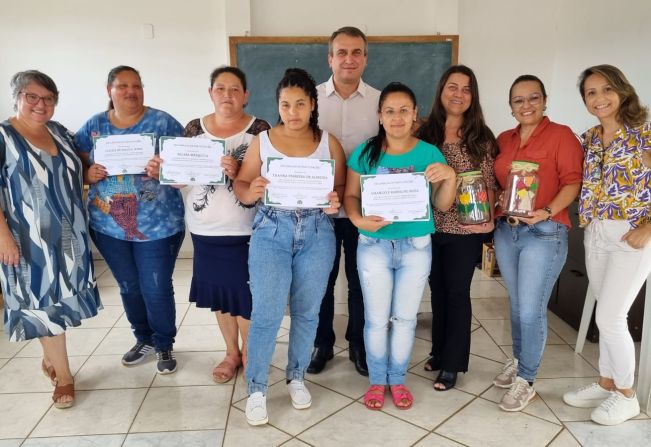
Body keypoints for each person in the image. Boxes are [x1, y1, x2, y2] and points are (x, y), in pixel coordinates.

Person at [234, 68, 346, 425]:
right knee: (266, 312)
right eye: (286, 104)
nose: (293, 111)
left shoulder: (329, 142)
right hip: (272, 230)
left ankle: (296, 376)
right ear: (278, 105)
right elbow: (241, 184)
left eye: (300, 103)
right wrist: (249, 192)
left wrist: (334, 202)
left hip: (317, 231)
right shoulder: (262, 141)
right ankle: (256, 389)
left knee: (307, 311)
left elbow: (341, 194)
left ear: (313, 104)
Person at [344, 82, 456, 410]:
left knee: (405, 319)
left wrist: (450, 177)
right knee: (376, 319)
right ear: (380, 116)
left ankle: (398, 379)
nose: (397, 118)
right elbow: (351, 196)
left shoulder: (429, 153)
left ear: (414, 114)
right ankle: (378, 380)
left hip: (416, 246)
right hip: (374, 246)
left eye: (403, 111)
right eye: (389, 111)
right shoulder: (365, 152)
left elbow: (444, 206)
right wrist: (357, 220)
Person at [0, 70, 102, 408]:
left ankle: (50, 359)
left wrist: (90, 174)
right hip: (26, 240)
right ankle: (65, 376)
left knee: (60, 301)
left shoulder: (59, 133)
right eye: (32, 97)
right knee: (43, 305)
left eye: (48, 98)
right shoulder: (4, 137)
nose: (40, 104)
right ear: (17, 97)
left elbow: (73, 174)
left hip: (69, 235)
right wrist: (3, 238)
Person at [75, 65, 185, 375]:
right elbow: (76, 163)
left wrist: (165, 169)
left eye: (136, 85)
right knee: (128, 286)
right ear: (109, 90)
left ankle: (164, 342)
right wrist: (87, 173)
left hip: (158, 225)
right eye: (122, 86)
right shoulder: (93, 125)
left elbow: (185, 166)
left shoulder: (163, 122)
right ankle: (144, 339)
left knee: (156, 287)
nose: (130, 91)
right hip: (109, 225)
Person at [562, 64, 651, 425]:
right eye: (591, 93)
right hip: (595, 232)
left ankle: (627, 395)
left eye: (606, 90)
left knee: (610, 317)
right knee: (606, 310)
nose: (599, 98)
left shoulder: (644, 134)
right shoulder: (588, 138)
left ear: (622, 91)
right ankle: (606, 382)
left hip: (631, 235)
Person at [492, 75, 583, 411]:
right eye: (518, 100)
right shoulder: (504, 139)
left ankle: (526, 379)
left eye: (533, 98)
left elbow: (572, 183)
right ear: (511, 106)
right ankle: (519, 360)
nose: (526, 105)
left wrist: (545, 212)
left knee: (531, 310)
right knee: (517, 305)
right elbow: (500, 181)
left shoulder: (562, 136)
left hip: (544, 233)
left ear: (545, 100)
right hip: (507, 230)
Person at [183, 66, 270, 383]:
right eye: (220, 88)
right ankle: (231, 353)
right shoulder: (194, 128)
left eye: (235, 89)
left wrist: (240, 171)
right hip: (205, 230)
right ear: (210, 93)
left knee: (246, 298)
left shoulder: (260, 129)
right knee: (221, 297)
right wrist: (167, 172)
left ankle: (250, 353)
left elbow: (267, 177)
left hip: (247, 229)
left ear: (246, 95)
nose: (227, 95)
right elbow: (180, 179)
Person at [417, 65, 497, 390]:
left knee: (457, 294)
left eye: (466, 89)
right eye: (453, 87)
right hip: (429, 226)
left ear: (472, 96)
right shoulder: (425, 133)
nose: (459, 94)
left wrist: (487, 223)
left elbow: (489, 184)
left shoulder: (482, 138)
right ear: (441, 91)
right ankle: (438, 351)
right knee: (436, 292)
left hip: (465, 230)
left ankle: (452, 365)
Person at [309, 26, 381, 376]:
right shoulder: (309, 100)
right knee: (320, 279)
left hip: (363, 209)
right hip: (317, 210)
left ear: (365, 58)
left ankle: (357, 343)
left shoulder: (382, 102)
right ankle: (322, 341)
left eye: (356, 52)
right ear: (330, 58)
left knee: (360, 278)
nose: (348, 59)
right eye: (341, 52)